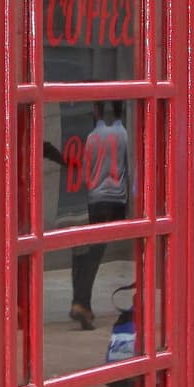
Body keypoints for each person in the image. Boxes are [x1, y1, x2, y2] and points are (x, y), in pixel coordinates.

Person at [70, 102, 130, 328]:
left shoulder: (92, 137)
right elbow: (129, 170)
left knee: (88, 252)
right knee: (95, 253)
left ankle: (80, 302)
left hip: (95, 199)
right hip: (115, 199)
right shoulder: (123, 134)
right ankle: (81, 303)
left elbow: (86, 172)